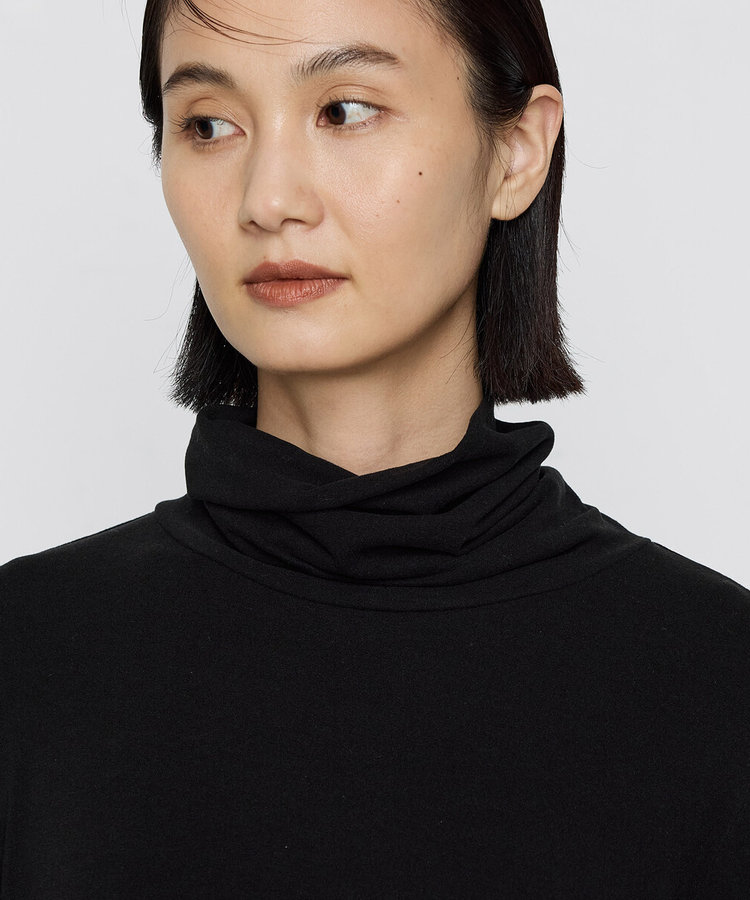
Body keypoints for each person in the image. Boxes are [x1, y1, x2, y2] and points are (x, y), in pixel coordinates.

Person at [1, 0, 748, 896]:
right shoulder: (25, 657)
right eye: (208, 125)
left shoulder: (718, 683)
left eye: (344, 111)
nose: (268, 201)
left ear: (517, 151)